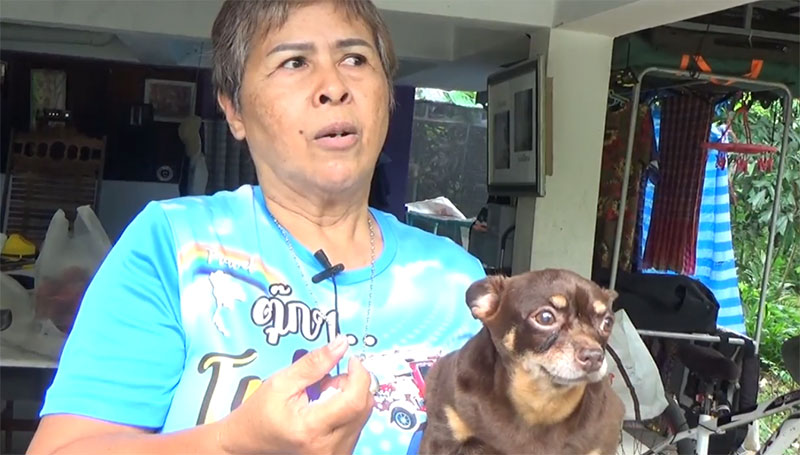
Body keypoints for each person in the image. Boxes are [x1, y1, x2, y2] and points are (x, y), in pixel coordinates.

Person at [27, 1, 485, 454]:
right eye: (294, 62)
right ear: (235, 111)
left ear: (387, 93)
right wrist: (231, 444)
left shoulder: (454, 282)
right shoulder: (176, 246)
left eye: (355, 59)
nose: (333, 87)